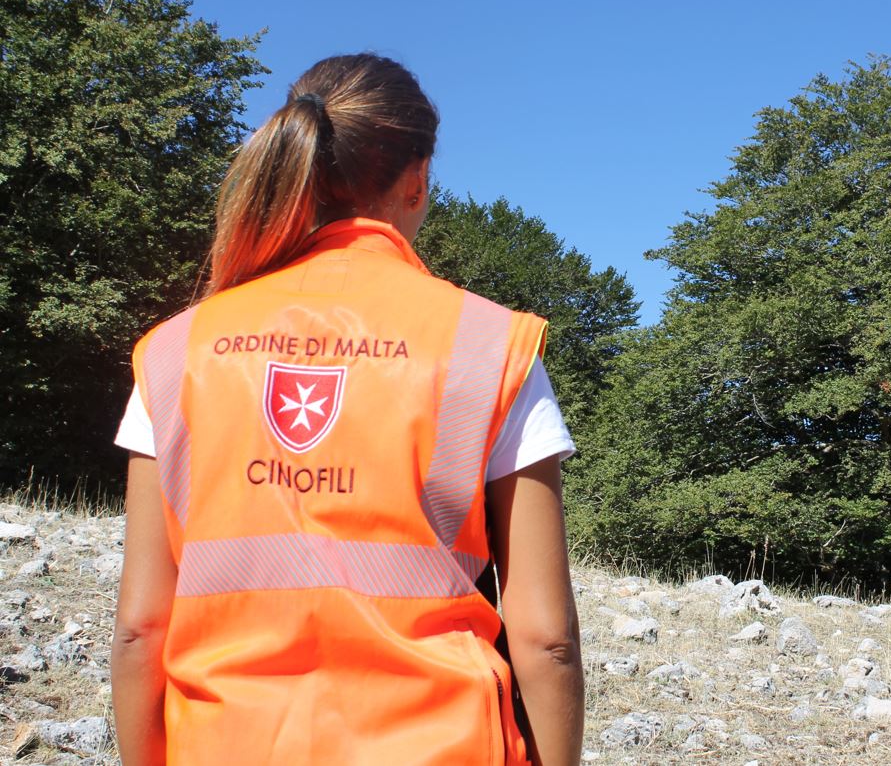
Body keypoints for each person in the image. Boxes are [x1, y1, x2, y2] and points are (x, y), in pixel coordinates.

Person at [110, 53, 585, 765]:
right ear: (418, 179)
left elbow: (141, 627)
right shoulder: (492, 345)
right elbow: (545, 636)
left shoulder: (176, 349)